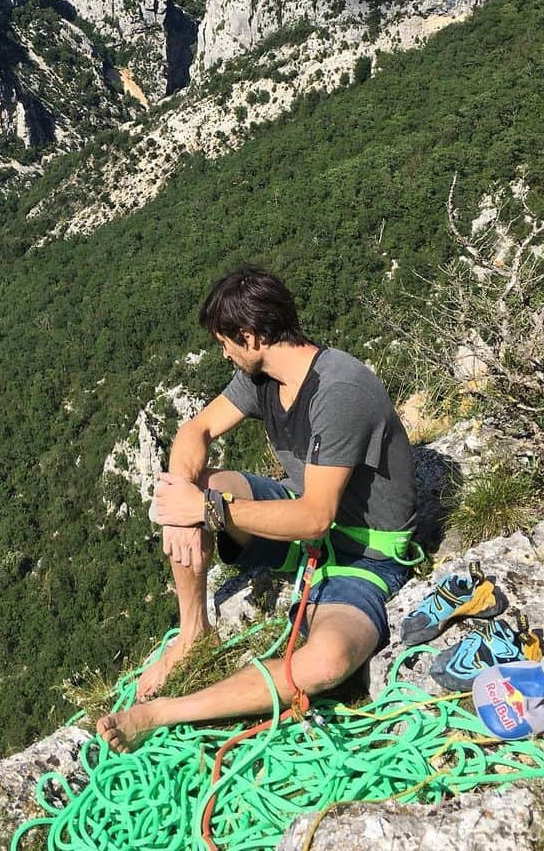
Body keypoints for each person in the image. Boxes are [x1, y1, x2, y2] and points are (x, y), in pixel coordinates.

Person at [98, 265, 417, 753]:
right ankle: (192, 633)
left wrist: (210, 511)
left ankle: (161, 713)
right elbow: (195, 431)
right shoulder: (263, 377)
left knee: (326, 661)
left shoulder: (340, 393)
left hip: (367, 553)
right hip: (303, 524)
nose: (224, 352)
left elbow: (316, 516)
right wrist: (185, 495)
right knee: (200, 485)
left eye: (225, 342)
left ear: (250, 337)